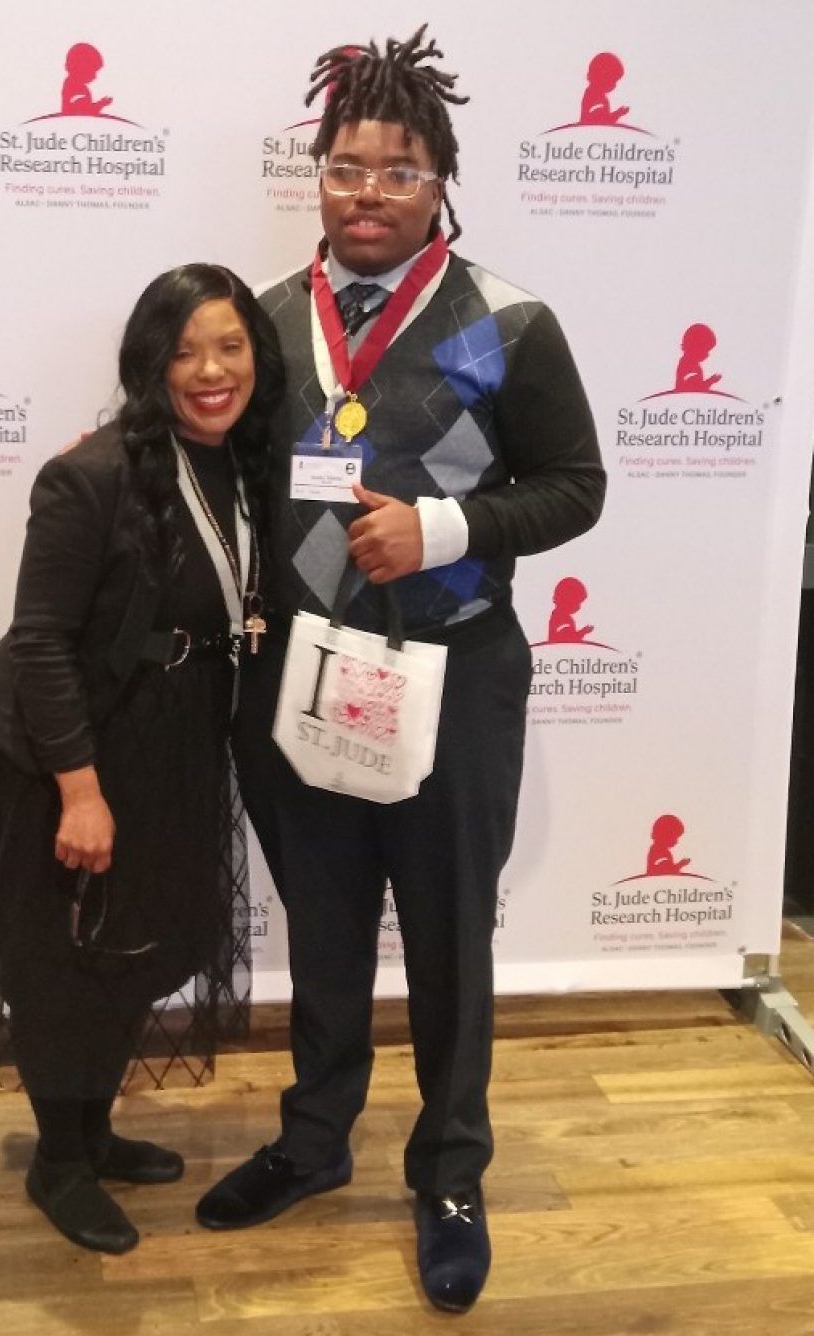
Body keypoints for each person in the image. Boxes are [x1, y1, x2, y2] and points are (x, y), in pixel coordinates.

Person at [195, 28, 605, 1315]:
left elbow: (576, 489)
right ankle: (315, 1142)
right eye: (346, 167)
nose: (367, 191)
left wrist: (445, 527)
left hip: (455, 677)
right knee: (321, 928)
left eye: (399, 170)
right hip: (302, 679)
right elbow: (230, 479)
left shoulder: (507, 325)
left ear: (441, 184)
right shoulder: (264, 323)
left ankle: (449, 1171)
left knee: (445, 943)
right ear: (315, 175)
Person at [0, 264, 284, 1255]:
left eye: (230, 346)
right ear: (147, 365)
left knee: (134, 948)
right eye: (184, 352)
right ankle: (59, 1159)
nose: (210, 370)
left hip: (169, 740)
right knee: (64, 961)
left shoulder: (241, 463)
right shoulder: (88, 476)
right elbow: (40, 640)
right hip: (63, 752)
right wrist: (78, 791)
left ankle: (95, 1128)